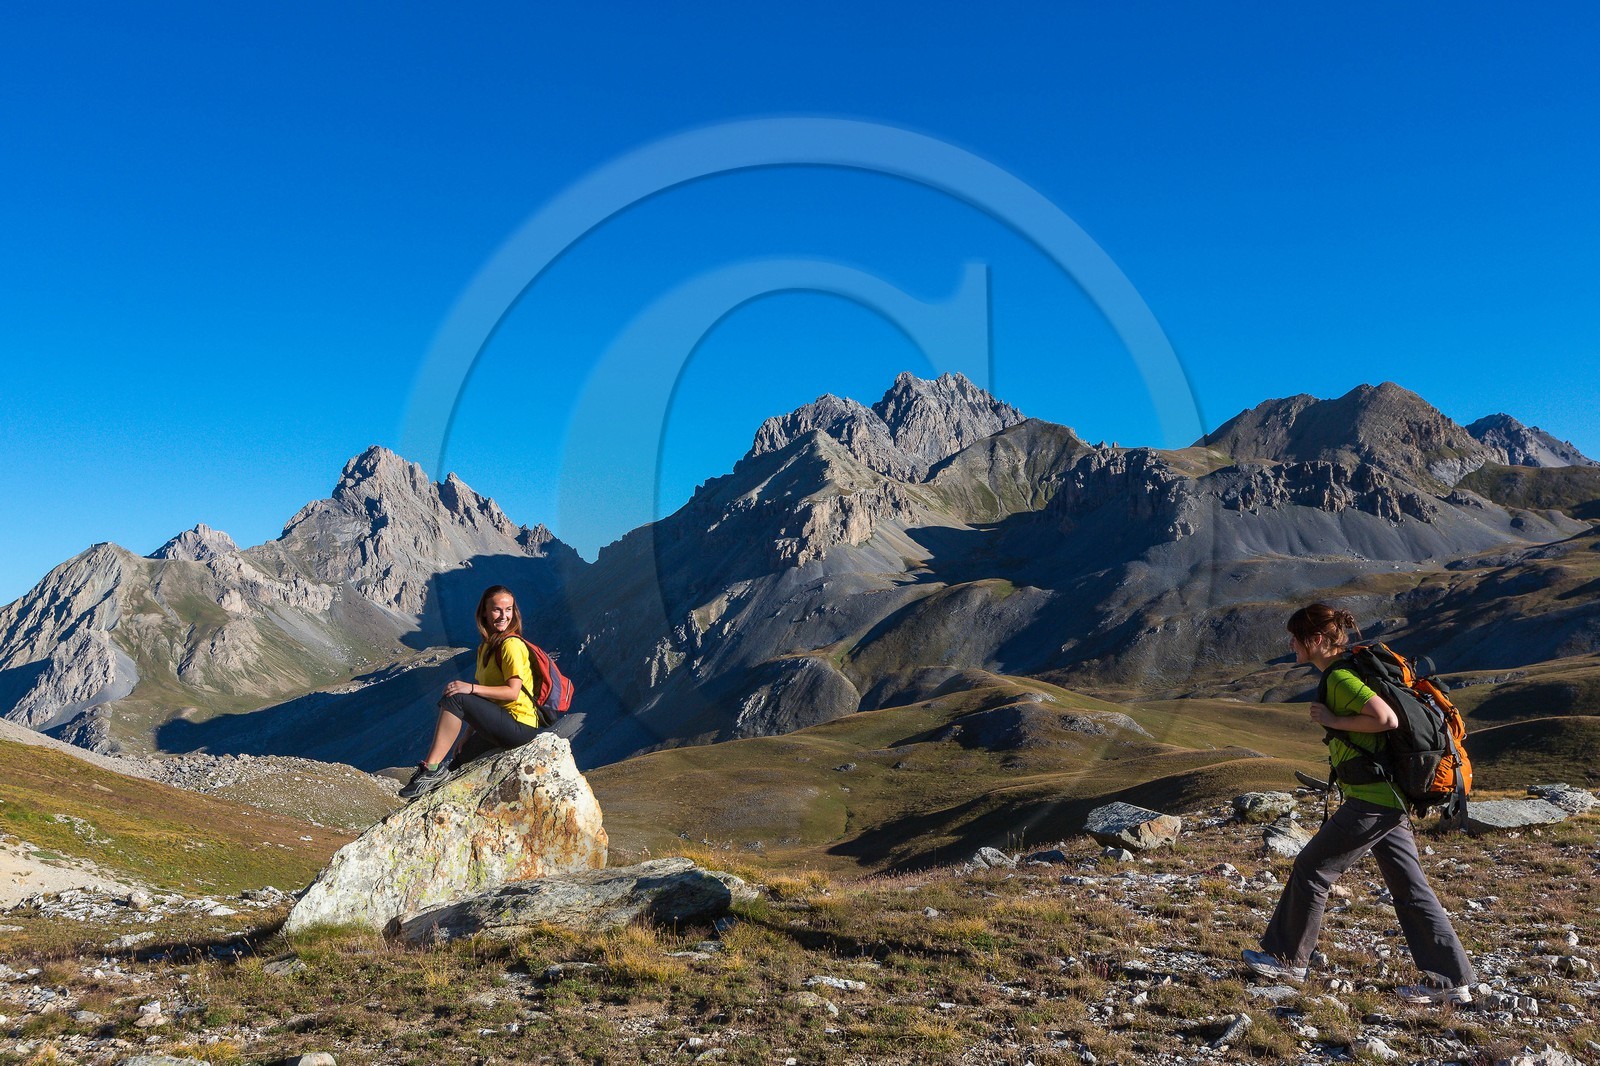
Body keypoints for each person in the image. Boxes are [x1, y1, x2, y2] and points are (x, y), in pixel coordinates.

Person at [1241, 603, 1476, 1006]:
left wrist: (1332, 720)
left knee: (1313, 867)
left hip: (1373, 799)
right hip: (1388, 798)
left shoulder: (1340, 677)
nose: (1291, 644)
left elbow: (1385, 719)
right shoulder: (1347, 669)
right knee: (1408, 887)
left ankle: (1286, 960)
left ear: (1315, 640)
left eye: (1295, 638)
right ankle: (1450, 980)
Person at [398, 585, 550, 800]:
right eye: (497, 610)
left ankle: (429, 768)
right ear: (485, 613)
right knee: (459, 761)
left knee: (456, 698)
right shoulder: (486, 647)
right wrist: (467, 736)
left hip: (520, 725)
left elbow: (512, 693)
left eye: (508, 610)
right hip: (503, 721)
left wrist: (469, 688)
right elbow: (486, 699)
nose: (503, 616)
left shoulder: (511, 645)